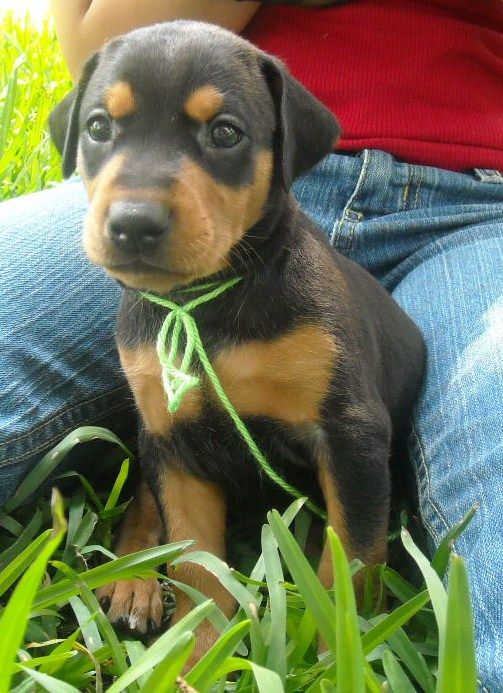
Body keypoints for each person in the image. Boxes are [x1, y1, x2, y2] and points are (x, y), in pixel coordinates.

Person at [1, 0, 501, 688]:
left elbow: (349, 439)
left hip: (477, 202)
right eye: (99, 128)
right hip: (276, 196)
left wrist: (342, 622)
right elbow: (95, 39)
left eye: (222, 129)